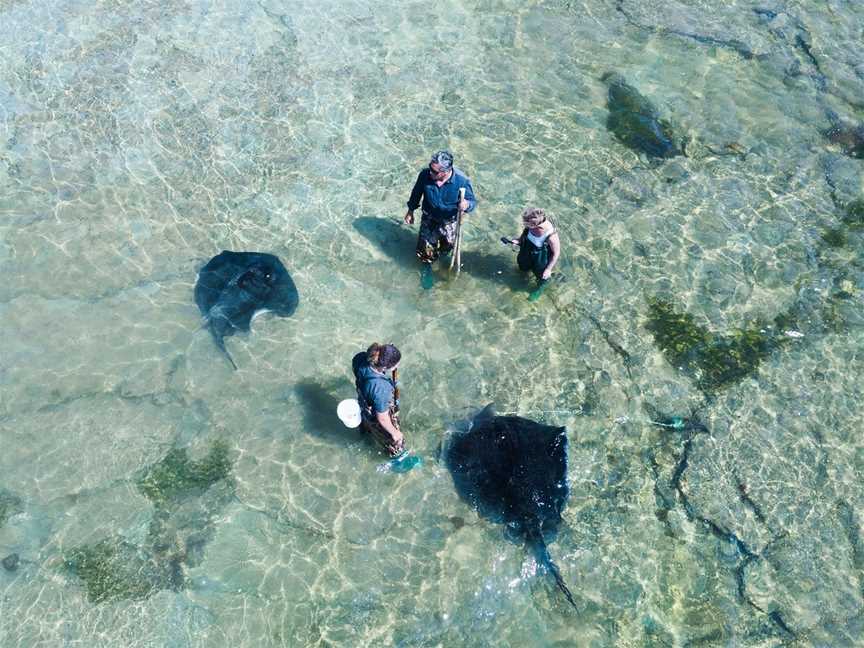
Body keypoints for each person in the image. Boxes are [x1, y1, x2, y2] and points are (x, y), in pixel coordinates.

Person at [404, 150, 477, 264]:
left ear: (446, 171)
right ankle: (427, 263)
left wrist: (466, 205)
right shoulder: (425, 175)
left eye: (434, 171)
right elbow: (416, 193)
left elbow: (472, 202)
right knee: (424, 251)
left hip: (449, 221)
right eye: (430, 168)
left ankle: (441, 260)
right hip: (429, 217)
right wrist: (410, 211)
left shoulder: (462, 181)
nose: (430, 172)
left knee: (447, 246)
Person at [351, 343, 404, 457]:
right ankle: (394, 457)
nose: (398, 365)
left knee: (367, 423)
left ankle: (365, 431)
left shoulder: (360, 358)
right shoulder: (381, 389)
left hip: (364, 403)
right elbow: (383, 419)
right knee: (396, 444)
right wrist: (395, 433)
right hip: (377, 413)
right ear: (384, 367)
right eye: (396, 364)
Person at [507, 207, 561, 285]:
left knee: (541, 276)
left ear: (535, 224)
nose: (524, 224)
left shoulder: (550, 234)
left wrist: (548, 269)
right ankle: (523, 278)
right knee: (523, 267)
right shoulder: (530, 224)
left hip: (540, 257)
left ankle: (540, 287)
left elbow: (556, 253)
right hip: (526, 250)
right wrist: (518, 240)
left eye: (526, 224)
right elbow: (525, 233)